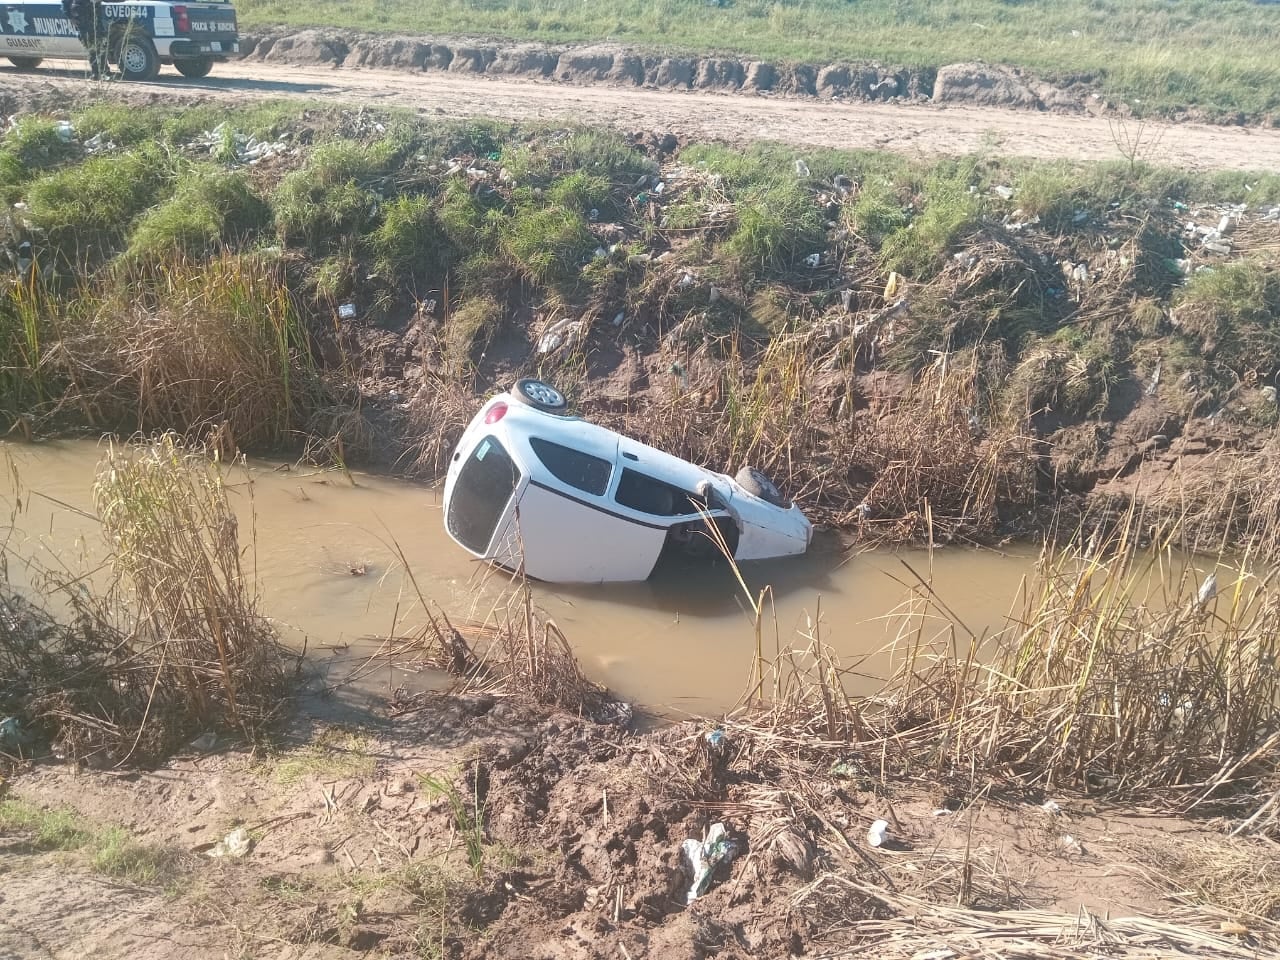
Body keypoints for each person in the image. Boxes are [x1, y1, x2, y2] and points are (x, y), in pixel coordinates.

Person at [61, 0, 112, 79]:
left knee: (100, 44)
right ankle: (97, 73)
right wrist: (70, 17)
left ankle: (104, 72)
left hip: (95, 16)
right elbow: (65, 2)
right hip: (83, 18)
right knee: (91, 46)